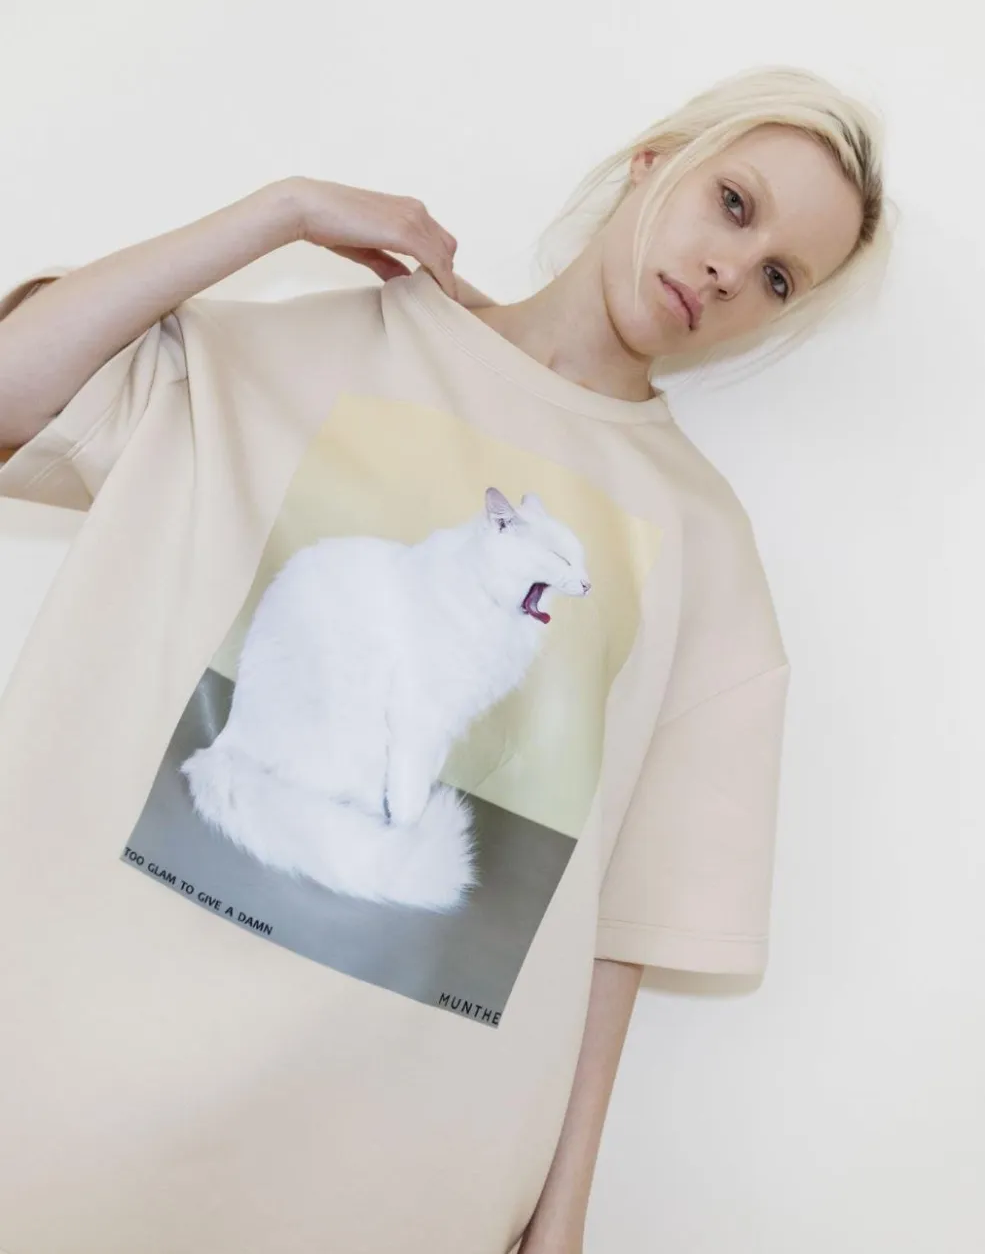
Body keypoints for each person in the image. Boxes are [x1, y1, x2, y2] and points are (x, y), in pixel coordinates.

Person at [0, 66, 888, 1254]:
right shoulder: (312, 343)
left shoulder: (702, 543)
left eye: (779, 277)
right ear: (652, 162)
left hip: (390, 1180)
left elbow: (624, 921)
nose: (734, 269)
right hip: (80, 1086)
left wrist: (559, 1218)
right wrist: (279, 212)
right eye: (733, 203)